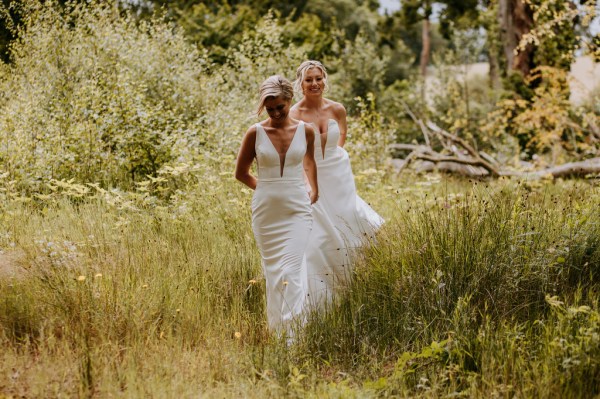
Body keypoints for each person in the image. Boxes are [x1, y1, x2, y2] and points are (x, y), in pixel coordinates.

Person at [290, 60, 383, 307]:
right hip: (309, 176)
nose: (314, 84)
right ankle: (322, 293)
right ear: (300, 83)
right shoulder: (293, 114)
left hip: (338, 174)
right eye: (309, 79)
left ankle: (356, 283)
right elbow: (292, 151)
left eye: (318, 78)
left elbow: (342, 134)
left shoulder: (337, 109)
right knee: (319, 235)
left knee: (349, 222)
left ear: (324, 80)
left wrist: (332, 155)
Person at [235, 75, 319, 336]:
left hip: (297, 210)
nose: (276, 113)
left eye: (280, 107)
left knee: (291, 270)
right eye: (270, 109)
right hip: (266, 213)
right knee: (274, 274)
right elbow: (241, 173)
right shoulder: (255, 133)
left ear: (289, 100)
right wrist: (267, 188)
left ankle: (294, 337)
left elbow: (309, 162)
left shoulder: (305, 130)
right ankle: (278, 333)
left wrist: (313, 188)